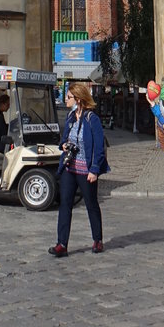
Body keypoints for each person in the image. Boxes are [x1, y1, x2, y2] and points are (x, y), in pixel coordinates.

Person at [49, 81, 111, 258]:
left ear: (78, 99)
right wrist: (65, 146)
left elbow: (99, 148)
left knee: (91, 204)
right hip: (70, 168)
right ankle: (62, 244)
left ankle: (97, 240)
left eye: (68, 97)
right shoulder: (70, 118)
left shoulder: (93, 120)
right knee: (65, 204)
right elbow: (63, 140)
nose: (65, 100)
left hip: (86, 171)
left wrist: (95, 169)